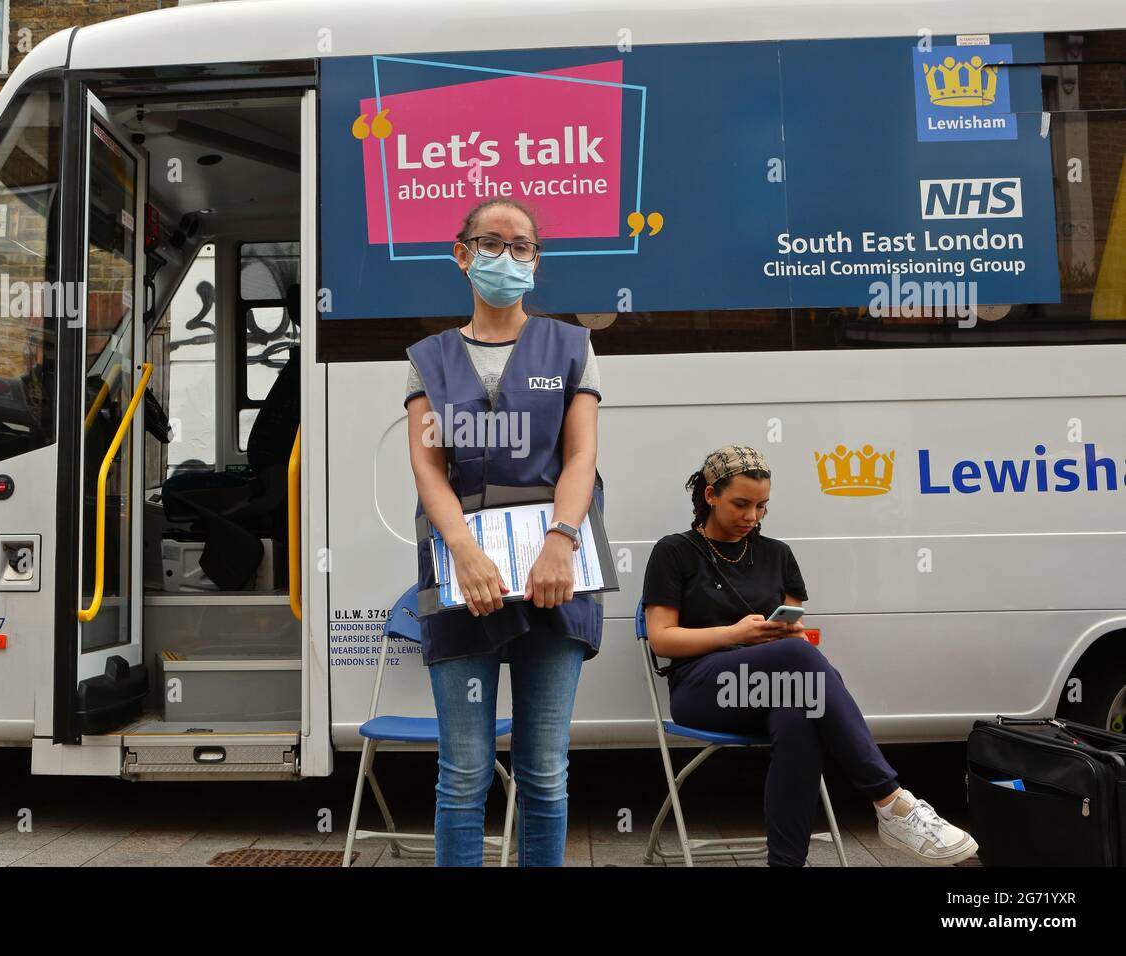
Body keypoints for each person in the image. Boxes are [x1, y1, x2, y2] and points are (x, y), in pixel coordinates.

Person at [641, 444, 979, 866]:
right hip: (702, 688)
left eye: (762, 506)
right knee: (801, 671)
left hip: (771, 685)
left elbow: (796, 642)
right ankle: (892, 803)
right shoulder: (675, 551)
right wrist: (735, 633)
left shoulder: (776, 554)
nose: (752, 517)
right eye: (741, 504)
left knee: (799, 710)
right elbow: (662, 640)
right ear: (710, 495)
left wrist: (787, 638)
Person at [404, 198, 603, 866]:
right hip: (464, 579)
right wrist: (463, 552)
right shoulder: (428, 359)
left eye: (523, 247)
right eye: (492, 243)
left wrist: (561, 539)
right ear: (462, 254)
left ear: (536, 263)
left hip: (555, 576)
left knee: (544, 773)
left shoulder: (571, 346)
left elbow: (581, 457)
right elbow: (429, 470)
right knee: (464, 775)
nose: (508, 257)